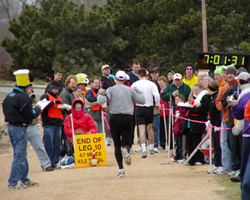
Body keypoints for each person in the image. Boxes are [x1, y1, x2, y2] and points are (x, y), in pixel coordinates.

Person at [97, 70, 145, 177]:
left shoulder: (110, 89)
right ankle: (126, 149)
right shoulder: (129, 90)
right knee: (126, 141)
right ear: (125, 79)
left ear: (115, 79)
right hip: (127, 118)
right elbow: (142, 100)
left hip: (114, 117)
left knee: (116, 144)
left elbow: (101, 101)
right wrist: (138, 91)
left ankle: (121, 169)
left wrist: (100, 93)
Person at [2, 69, 41, 190]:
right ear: (26, 87)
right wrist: (38, 109)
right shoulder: (22, 98)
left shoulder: (9, 96)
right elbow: (31, 114)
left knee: (21, 154)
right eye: (29, 87)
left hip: (11, 127)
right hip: (20, 128)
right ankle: (12, 183)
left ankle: (24, 179)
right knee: (20, 155)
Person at [131, 68, 160, 158]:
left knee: (142, 130)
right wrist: (157, 104)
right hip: (149, 107)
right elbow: (157, 95)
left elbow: (131, 95)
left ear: (139, 75)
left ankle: (143, 149)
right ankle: (151, 147)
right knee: (150, 129)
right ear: (146, 75)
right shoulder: (151, 84)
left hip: (139, 107)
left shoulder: (135, 84)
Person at [215, 65, 238, 175]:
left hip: (236, 120)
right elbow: (218, 103)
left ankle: (234, 167)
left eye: (231, 73)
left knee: (233, 144)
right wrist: (226, 104)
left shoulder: (239, 86)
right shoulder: (223, 88)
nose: (229, 75)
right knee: (223, 143)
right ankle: (226, 167)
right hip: (225, 118)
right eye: (228, 73)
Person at [161, 73, 191, 153]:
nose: (177, 81)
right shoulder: (169, 87)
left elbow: (189, 97)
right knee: (171, 128)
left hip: (183, 112)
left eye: (178, 80)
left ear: (181, 80)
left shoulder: (186, 87)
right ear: (173, 80)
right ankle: (171, 147)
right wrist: (171, 95)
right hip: (172, 111)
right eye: (175, 80)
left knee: (181, 129)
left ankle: (182, 148)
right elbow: (163, 96)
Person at [27, 87, 53, 172]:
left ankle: (46, 164)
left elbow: (40, 104)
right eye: (29, 89)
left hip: (32, 125)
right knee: (21, 150)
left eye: (32, 89)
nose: (31, 91)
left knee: (39, 146)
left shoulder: (32, 98)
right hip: (22, 126)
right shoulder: (22, 98)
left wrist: (33, 98)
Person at [184, 83, 210, 165]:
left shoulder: (205, 97)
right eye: (194, 90)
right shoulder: (193, 98)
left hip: (198, 122)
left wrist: (193, 110)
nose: (195, 92)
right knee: (189, 141)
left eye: (197, 90)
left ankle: (199, 159)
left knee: (197, 141)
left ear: (201, 89)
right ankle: (191, 159)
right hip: (190, 122)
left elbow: (203, 108)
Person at [40, 80, 64, 169]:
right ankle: (46, 163)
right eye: (55, 89)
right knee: (48, 144)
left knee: (57, 144)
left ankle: (54, 162)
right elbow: (42, 107)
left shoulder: (59, 98)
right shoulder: (45, 96)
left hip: (58, 123)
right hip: (49, 123)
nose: (57, 91)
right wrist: (53, 103)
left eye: (58, 89)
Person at [206, 81, 222, 174]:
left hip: (217, 125)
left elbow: (217, 112)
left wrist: (216, 124)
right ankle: (216, 164)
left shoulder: (216, 97)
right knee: (215, 145)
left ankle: (220, 164)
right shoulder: (211, 97)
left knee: (218, 145)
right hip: (213, 123)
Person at [59, 75, 77, 156]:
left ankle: (65, 153)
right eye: (72, 83)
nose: (74, 85)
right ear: (68, 83)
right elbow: (64, 108)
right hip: (65, 121)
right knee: (67, 140)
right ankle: (67, 155)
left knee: (69, 139)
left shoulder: (71, 93)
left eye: (75, 83)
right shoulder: (65, 93)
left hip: (70, 120)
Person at [100, 64, 116, 146]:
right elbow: (101, 89)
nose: (107, 70)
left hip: (113, 102)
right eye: (105, 69)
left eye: (108, 69)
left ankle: (112, 137)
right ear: (102, 71)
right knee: (107, 120)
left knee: (113, 120)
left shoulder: (111, 79)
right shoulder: (101, 80)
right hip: (106, 102)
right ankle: (108, 138)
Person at [171, 94, 186, 163]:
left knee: (181, 143)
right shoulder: (177, 108)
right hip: (177, 128)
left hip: (181, 128)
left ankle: (182, 156)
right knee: (177, 143)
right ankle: (178, 155)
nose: (177, 101)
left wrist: (180, 127)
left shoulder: (183, 108)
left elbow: (182, 119)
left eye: (178, 100)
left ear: (182, 101)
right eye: (176, 100)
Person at [149, 68, 161, 153]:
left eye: (155, 73)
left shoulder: (158, 83)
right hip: (149, 107)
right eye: (152, 73)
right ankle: (150, 144)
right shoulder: (149, 83)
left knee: (156, 127)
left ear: (157, 74)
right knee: (148, 128)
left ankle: (156, 144)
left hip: (156, 107)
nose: (154, 75)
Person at [157, 75, 168, 150]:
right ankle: (162, 143)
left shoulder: (167, 91)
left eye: (161, 83)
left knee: (167, 128)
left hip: (167, 112)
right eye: (159, 83)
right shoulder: (158, 91)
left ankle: (168, 142)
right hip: (160, 113)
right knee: (160, 128)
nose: (160, 84)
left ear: (164, 82)